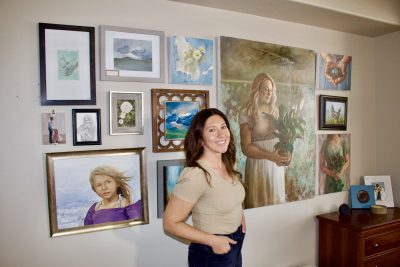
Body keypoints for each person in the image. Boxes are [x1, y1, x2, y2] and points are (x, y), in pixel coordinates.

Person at [163, 108, 246, 267]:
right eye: (212, 130)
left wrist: (238, 214)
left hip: (234, 243)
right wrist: (214, 241)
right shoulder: (196, 174)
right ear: (200, 139)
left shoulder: (227, 163)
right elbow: (170, 223)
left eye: (223, 127)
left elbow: (224, 196)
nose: (221, 134)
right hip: (212, 251)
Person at [240, 73, 291, 208]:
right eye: (266, 89)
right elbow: (245, 148)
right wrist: (270, 156)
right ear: (257, 90)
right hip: (258, 166)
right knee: (258, 204)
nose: (269, 92)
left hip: (276, 168)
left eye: (271, 89)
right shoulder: (247, 112)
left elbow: (285, 141)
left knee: (276, 204)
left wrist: (288, 155)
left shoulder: (277, 112)